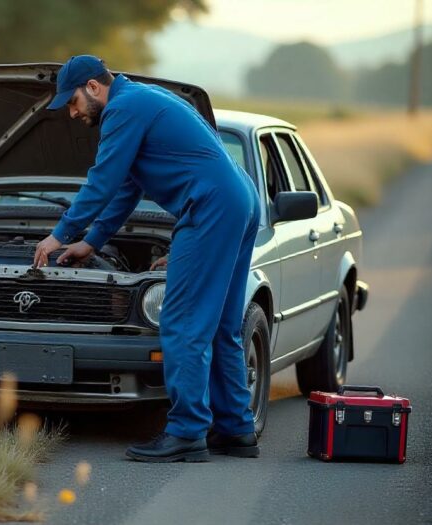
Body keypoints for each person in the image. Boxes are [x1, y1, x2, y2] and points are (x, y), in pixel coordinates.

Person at [33, 55, 261, 462]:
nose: (71, 113)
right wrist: (93, 241)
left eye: (72, 103)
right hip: (238, 200)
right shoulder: (143, 99)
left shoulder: (122, 109)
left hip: (210, 207)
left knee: (183, 322)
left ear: (93, 87)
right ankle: (235, 428)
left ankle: (187, 432)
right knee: (222, 325)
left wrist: (60, 235)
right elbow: (127, 186)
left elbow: (102, 181)